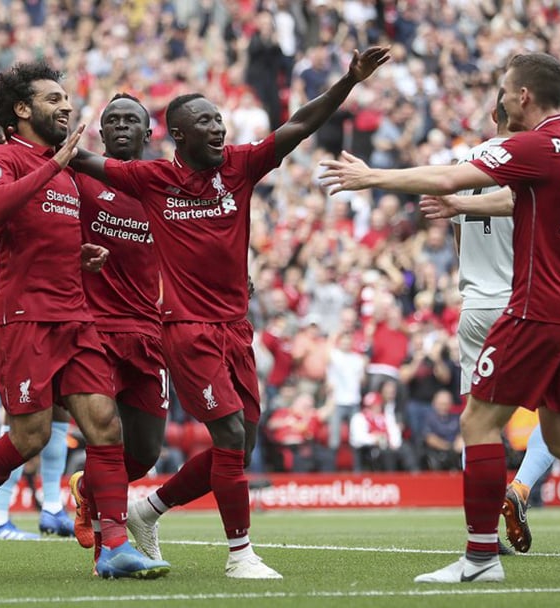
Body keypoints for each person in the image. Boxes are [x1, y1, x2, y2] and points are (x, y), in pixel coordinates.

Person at [319, 52, 560, 583]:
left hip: (535, 308)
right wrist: (468, 207)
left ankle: (478, 558)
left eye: (503, 90)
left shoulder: (533, 145)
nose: (500, 100)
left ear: (522, 96)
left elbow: (450, 177)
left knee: (478, 421)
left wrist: (371, 176)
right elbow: (518, 202)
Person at [70, 45, 390, 579]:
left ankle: (150, 510)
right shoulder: (152, 180)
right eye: (205, 122)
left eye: (219, 118)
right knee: (231, 437)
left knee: (244, 442)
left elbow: (302, 123)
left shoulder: (241, 167)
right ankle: (240, 554)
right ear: (178, 134)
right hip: (186, 330)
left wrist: (348, 82)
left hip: (237, 328)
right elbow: (79, 159)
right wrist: (18, 121)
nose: (219, 128)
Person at [0, 61, 169, 579]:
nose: (66, 106)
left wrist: (78, 255)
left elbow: (45, 231)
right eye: (54, 99)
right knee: (30, 437)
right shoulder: (4, 158)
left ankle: (113, 548)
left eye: (67, 100)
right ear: (23, 109)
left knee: (105, 428)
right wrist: (54, 162)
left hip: (76, 317)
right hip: (24, 318)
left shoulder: (63, 169)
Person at [446, 91, 555, 554]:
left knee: (478, 424)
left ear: (492, 116)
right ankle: (522, 489)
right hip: (517, 305)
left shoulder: (463, 163)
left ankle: (484, 534)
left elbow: (456, 234)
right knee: (559, 414)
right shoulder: (529, 164)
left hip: (473, 305)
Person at [67, 93, 171, 565]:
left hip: (150, 331)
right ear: (101, 133)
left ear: (149, 133)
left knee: (146, 452)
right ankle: (113, 547)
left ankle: (84, 488)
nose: (123, 125)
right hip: (95, 328)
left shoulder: (167, 187)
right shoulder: (80, 176)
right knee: (105, 432)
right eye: (113, 120)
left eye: (133, 120)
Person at [0, 230, 75, 541]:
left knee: (59, 412)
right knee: (19, 420)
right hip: (19, 325)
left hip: (57, 321)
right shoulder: (7, 213)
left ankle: (52, 507)